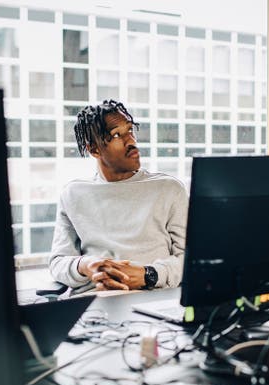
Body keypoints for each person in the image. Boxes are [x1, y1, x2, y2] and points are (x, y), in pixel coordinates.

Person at [49, 99, 188, 295]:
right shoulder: (73, 194)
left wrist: (148, 274)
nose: (131, 141)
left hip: (152, 298)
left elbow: (189, 259)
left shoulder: (169, 189)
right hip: (93, 300)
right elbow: (58, 262)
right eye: (116, 134)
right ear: (94, 149)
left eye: (130, 130)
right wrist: (85, 265)